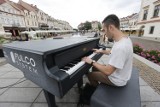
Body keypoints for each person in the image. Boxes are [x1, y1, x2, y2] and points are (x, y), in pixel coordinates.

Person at [82, 14, 133, 87]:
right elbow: (112, 52)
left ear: (111, 27)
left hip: (117, 80)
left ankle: (95, 92)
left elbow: (108, 71)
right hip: (121, 74)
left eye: (104, 30)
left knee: (90, 75)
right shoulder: (124, 39)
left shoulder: (121, 47)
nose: (104, 33)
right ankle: (99, 86)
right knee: (94, 68)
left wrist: (91, 61)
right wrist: (100, 51)